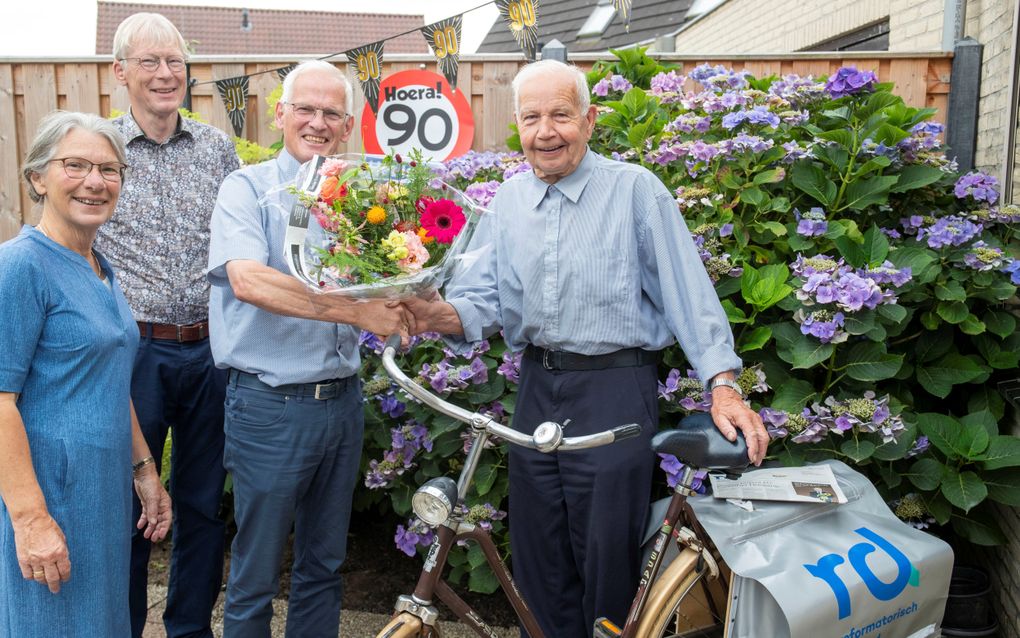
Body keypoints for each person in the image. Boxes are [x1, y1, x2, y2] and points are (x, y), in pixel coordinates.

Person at [402, 59, 770, 637]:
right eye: (531, 118)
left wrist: (722, 384)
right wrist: (427, 314)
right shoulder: (507, 202)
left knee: (606, 555)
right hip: (536, 387)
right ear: (517, 127)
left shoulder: (634, 191)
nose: (546, 131)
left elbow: (688, 294)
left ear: (590, 120)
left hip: (615, 389)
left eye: (560, 115)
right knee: (538, 551)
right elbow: (479, 301)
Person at [207, 60, 409, 638]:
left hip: (342, 404)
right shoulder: (247, 189)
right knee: (255, 573)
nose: (317, 123)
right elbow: (248, 279)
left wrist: (415, 297)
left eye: (331, 114)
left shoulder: (358, 199)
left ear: (347, 127)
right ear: (280, 114)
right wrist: (358, 312)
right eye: (305, 109)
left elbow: (386, 279)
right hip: (271, 407)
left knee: (324, 567)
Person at [93, 13, 240, 638]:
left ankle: (188, 628)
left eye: (174, 61)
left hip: (212, 349)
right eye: (148, 62)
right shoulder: (97, 150)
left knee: (204, 505)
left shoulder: (216, 148)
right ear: (120, 72)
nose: (164, 73)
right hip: (134, 354)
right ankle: (120, 627)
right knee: (128, 504)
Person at [0, 111, 172, 637]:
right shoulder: (21, 266)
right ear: (37, 178)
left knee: (101, 621)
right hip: (50, 491)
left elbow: (108, 381)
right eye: (75, 165)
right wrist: (31, 521)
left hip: (101, 494)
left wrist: (144, 470)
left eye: (109, 169)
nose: (95, 181)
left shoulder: (100, 268)